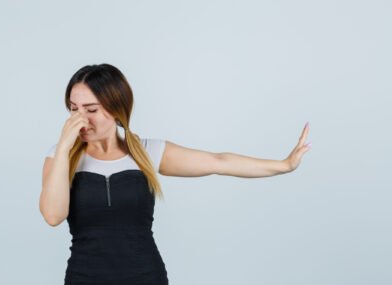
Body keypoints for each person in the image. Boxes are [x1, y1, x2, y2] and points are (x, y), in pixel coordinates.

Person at [40, 63, 311, 285]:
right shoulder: (61, 156)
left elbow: (219, 161)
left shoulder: (147, 152)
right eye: (73, 109)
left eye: (91, 110)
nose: (80, 119)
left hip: (146, 277)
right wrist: (64, 147)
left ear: (115, 108)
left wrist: (283, 165)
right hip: (84, 278)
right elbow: (53, 215)